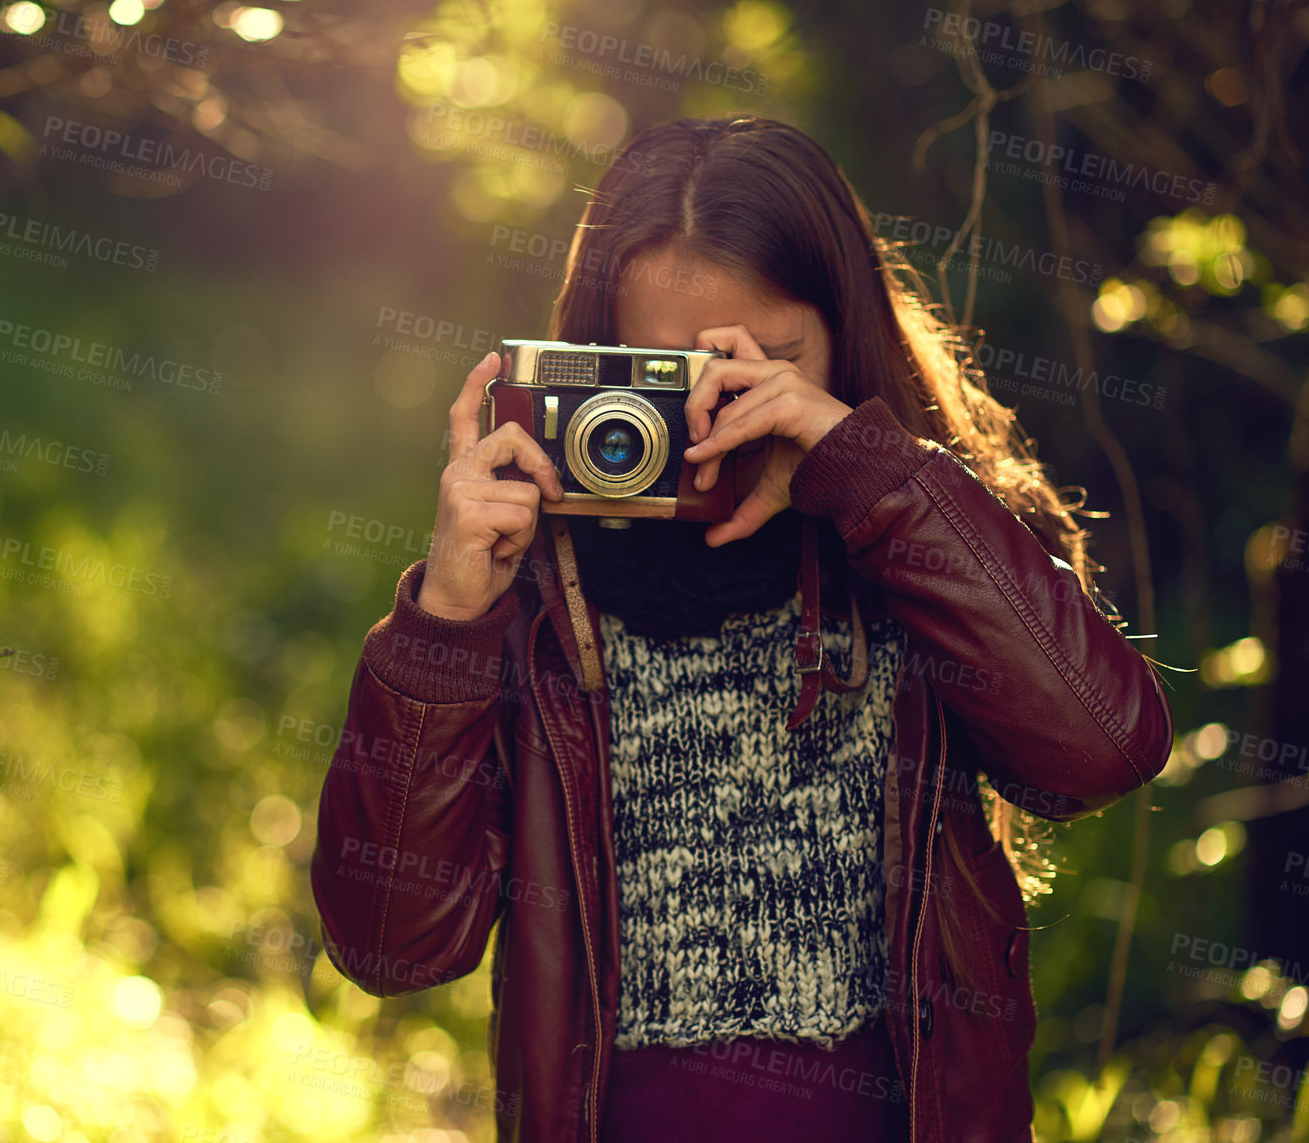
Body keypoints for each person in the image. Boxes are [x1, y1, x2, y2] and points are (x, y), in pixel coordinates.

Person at [310, 114, 1173, 1143]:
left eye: (764, 362)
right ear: (598, 355)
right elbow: (391, 947)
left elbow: (1101, 752)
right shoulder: (538, 581)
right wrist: (447, 622)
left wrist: (868, 477)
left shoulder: (925, 528)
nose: (716, 406)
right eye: (664, 373)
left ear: (844, 330)